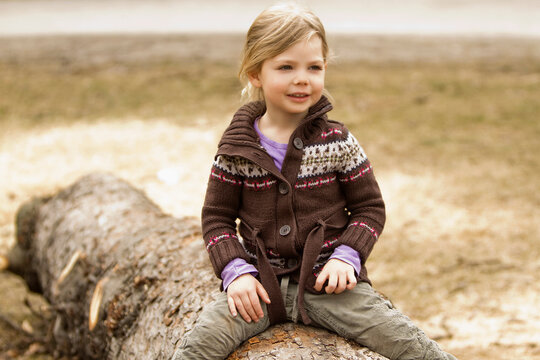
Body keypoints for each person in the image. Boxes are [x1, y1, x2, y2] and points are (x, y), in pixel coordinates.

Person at [172, 3, 456, 360]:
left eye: (314, 67)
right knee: (197, 348)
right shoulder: (236, 148)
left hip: (329, 286)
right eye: (286, 67)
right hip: (260, 286)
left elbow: (369, 209)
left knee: (412, 346)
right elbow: (217, 219)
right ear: (255, 73)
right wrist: (236, 271)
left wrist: (347, 256)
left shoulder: (336, 141)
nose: (302, 78)